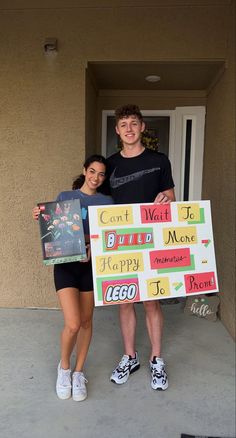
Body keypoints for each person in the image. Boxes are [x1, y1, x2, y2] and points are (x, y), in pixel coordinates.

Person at [106, 104, 176, 390]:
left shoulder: (160, 160)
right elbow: (91, 198)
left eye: (134, 123)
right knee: (125, 300)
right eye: (124, 124)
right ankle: (130, 356)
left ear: (142, 127)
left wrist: (167, 199)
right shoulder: (109, 164)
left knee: (151, 300)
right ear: (117, 130)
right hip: (120, 243)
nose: (129, 129)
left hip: (152, 241)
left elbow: (171, 195)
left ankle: (156, 360)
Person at [33, 155, 113, 401]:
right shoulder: (65, 197)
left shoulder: (107, 201)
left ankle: (79, 373)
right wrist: (41, 215)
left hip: (91, 267)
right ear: (84, 170)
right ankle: (64, 368)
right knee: (73, 324)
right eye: (92, 171)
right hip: (66, 266)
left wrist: (93, 250)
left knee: (87, 322)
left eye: (101, 174)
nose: (96, 178)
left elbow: (112, 236)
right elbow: (54, 230)